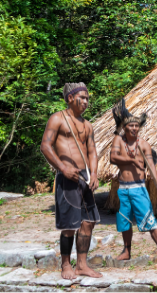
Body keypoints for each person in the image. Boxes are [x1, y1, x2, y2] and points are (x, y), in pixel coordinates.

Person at [39, 83, 103, 279]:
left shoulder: (88, 124)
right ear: (70, 98)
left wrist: (94, 173)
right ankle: (66, 265)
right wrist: (63, 168)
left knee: (89, 222)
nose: (85, 102)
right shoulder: (57, 119)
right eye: (82, 98)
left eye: (87, 99)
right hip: (67, 177)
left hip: (85, 177)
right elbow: (45, 146)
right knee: (69, 225)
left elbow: (92, 151)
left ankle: (82, 265)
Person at [108, 99, 157, 268]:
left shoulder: (144, 145)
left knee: (150, 221)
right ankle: (126, 250)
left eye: (136, 126)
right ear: (125, 128)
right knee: (124, 220)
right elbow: (112, 158)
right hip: (123, 189)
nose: (134, 128)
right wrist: (131, 160)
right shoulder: (118, 141)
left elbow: (151, 166)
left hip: (139, 188)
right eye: (131, 126)